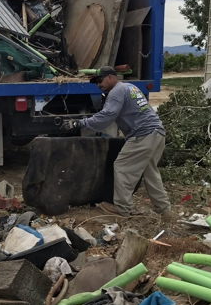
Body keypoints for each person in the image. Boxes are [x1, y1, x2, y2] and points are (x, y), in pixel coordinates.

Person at [62, 66, 171, 218]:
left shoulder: (116, 91)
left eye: (100, 80)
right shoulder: (130, 87)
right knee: (150, 172)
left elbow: (107, 116)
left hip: (142, 134)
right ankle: (164, 210)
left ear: (111, 77)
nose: (99, 84)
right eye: (96, 82)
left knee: (122, 167)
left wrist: (80, 123)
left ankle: (122, 208)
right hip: (157, 133)